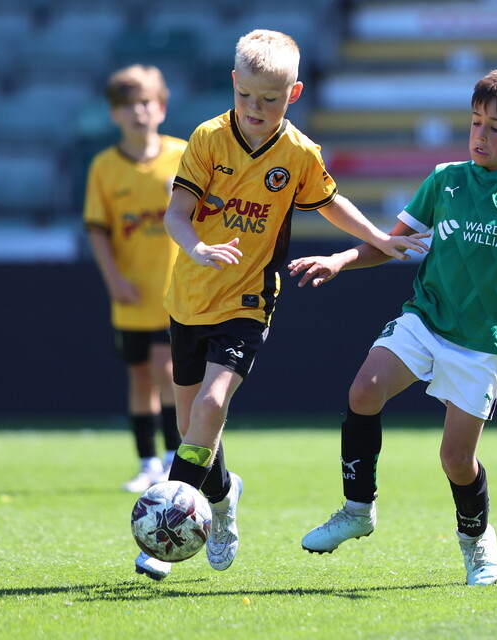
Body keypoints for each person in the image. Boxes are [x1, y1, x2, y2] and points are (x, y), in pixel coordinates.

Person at [290, 68, 497, 586]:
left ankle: (476, 541)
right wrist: (342, 258)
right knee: (364, 390)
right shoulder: (444, 180)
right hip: (425, 318)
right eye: (476, 122)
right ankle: (357, 509)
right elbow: (393, 243)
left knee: (456, 460)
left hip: (481, 343)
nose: (481, 135)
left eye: (496, 128)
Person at [144, 29, 428, 582]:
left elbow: (331, 202)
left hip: (249, 302)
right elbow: (176, 214)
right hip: (188, 299)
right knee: (193, 429)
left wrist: (378, 237)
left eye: (269, 99)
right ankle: (222, 505)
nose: (255, 108)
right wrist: (197, 246)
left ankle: (164, 536)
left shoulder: (297, 153)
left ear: (293, 94)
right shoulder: (206, 139)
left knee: (210, 404)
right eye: (246, 95)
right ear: (233, 83)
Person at [83, 64, 184, 499]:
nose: (137, 112)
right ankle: (147, 462)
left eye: (145, 102)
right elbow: (97, 229)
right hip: (131, 293)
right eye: (127, 105)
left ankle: (172, 460)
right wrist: (115, 282)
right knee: (140, 376)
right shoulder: (105, 166)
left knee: (168, 372)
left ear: (160, 108)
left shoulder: (182, 155)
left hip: (175, 292)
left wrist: (179, 199)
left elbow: (213, 213)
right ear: (114, 114)